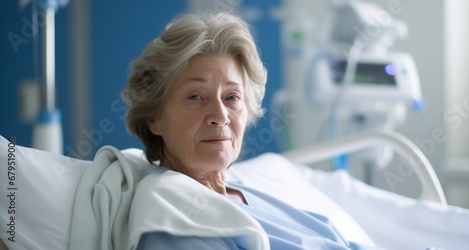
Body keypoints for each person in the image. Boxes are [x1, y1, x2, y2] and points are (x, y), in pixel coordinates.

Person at [121, 12, 384, 250]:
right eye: (195, 97)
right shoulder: (174, 218)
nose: (220, 116)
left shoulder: (249, 193)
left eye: (232, 97)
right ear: (154, 117)